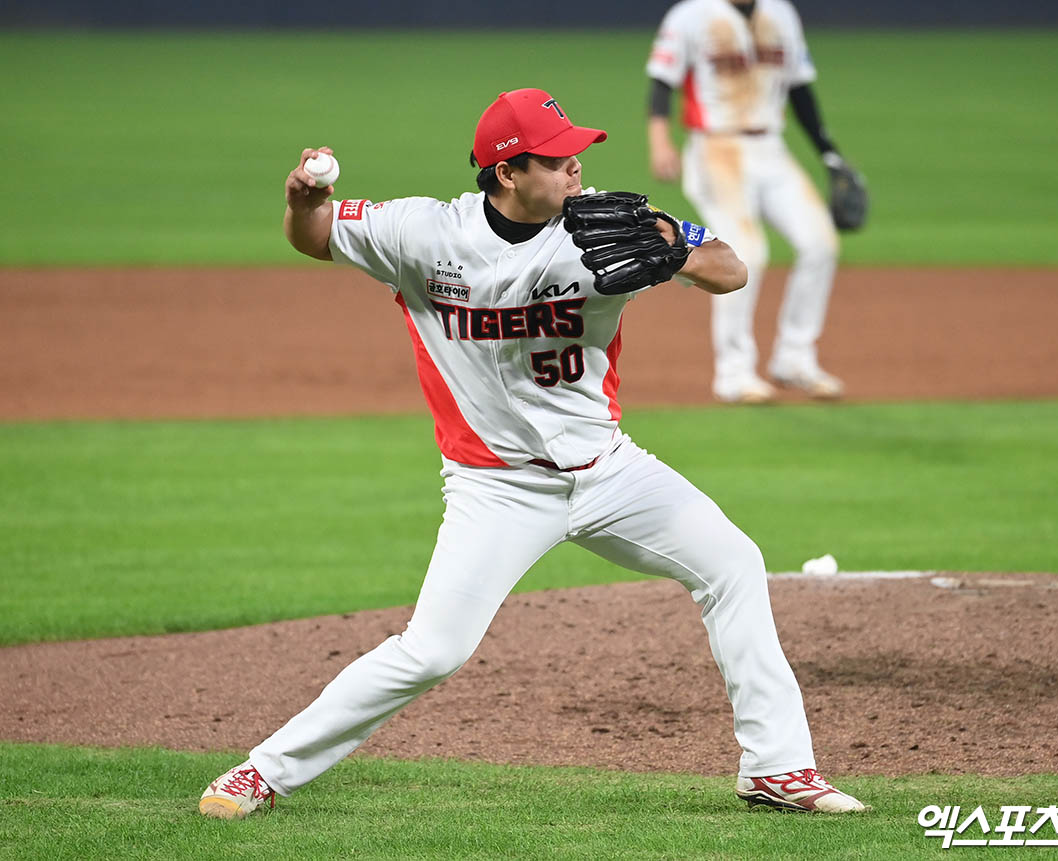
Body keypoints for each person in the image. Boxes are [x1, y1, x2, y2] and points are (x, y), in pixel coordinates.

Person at [197, 87, 867, 819]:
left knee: (732, 563)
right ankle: (261, 772)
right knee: (432, 651)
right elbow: (318, 234)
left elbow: (730, 268)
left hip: (611, 470)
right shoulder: (424, 233)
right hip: (496, 489)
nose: (578, 168)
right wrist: (302, 199)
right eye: (558, 158)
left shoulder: (614, 220)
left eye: (578, 153)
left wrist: (674, 245)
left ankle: (776, 769)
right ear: (508, 172)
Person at [646, 0, 865, 404]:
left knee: (820, 244)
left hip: (771, 147)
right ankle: (734, 374)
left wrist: (827, 152)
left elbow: (799, 88)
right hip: (716, 148)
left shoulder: (781, 14)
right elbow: (662, 80)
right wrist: (660, 141)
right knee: (745, 252)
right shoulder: (692, 15)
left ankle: (795, 358)